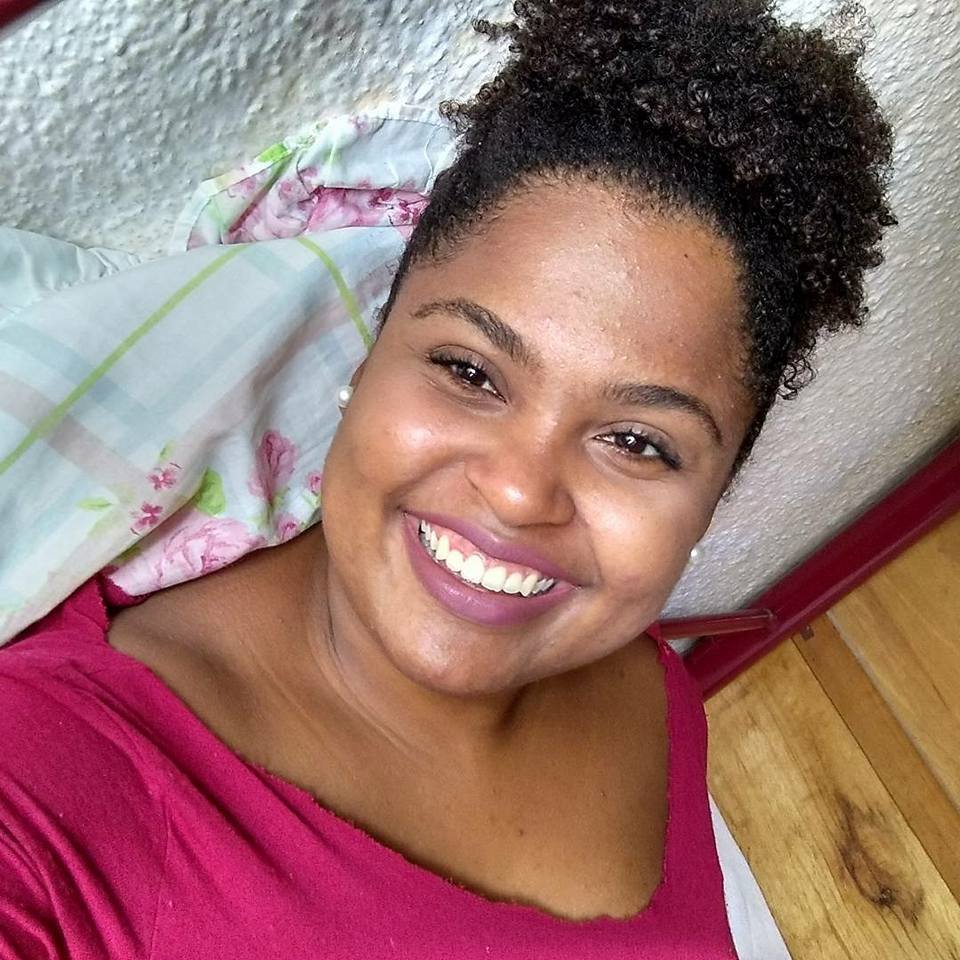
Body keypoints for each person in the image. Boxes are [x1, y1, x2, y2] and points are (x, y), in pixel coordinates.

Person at [0, 0, 893, 957]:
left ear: (713, 495)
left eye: (638, 442)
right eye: (470, 372)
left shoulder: (649, 690)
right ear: (371, 351)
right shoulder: (57, 781)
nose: (518, 492)